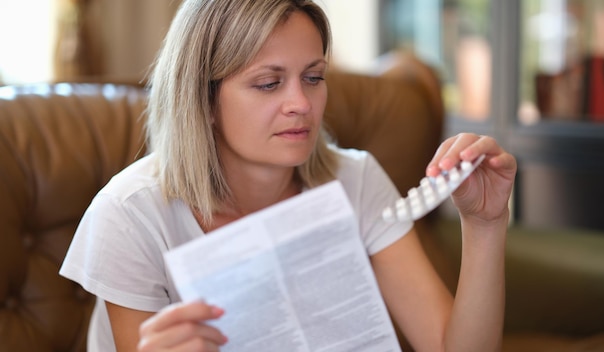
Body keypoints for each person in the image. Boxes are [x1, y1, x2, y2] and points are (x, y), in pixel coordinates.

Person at [59, 0, 517, 351]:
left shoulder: (354, 179)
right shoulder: (130, 214)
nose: (301, 103)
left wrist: (485, 225)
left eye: (313, 77)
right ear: (203, 99)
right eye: (268, 82)